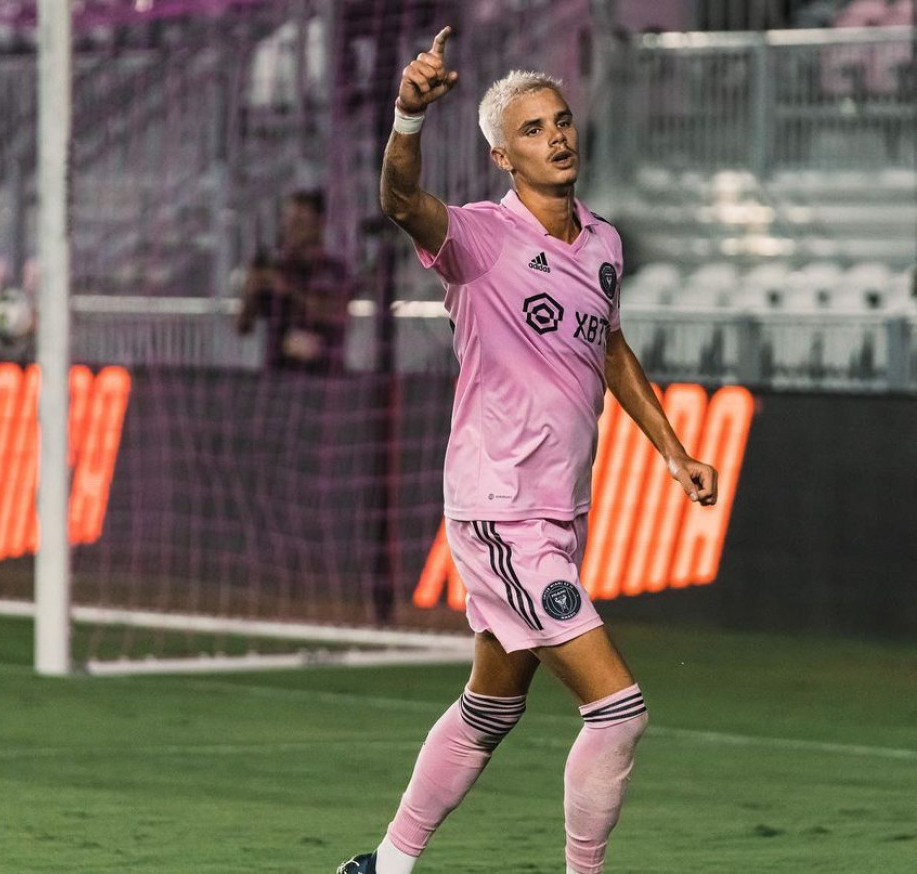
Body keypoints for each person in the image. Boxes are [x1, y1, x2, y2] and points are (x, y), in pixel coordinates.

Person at [337, 26, 719, 874]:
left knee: (490, 706)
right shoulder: (476, 239)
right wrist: (407, 116)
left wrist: (672, 449)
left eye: (563, 120)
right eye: (536, 129)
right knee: (618, 708)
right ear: (503, 156)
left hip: (558, 509)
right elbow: (401, 202)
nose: (559, 137)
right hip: (501, 506)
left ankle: (388, 867)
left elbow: (610, 350)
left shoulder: (604, 244)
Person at [236, 190, 353, 375]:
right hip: (278, 376)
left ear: (318, 225)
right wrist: (251, 291)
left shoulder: (333, 269)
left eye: (299, 223)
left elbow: (334, 311)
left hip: (324, 376)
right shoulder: (277, 267)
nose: (290, 230)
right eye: (287, 222)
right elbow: (242, 326)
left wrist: (288, 290)